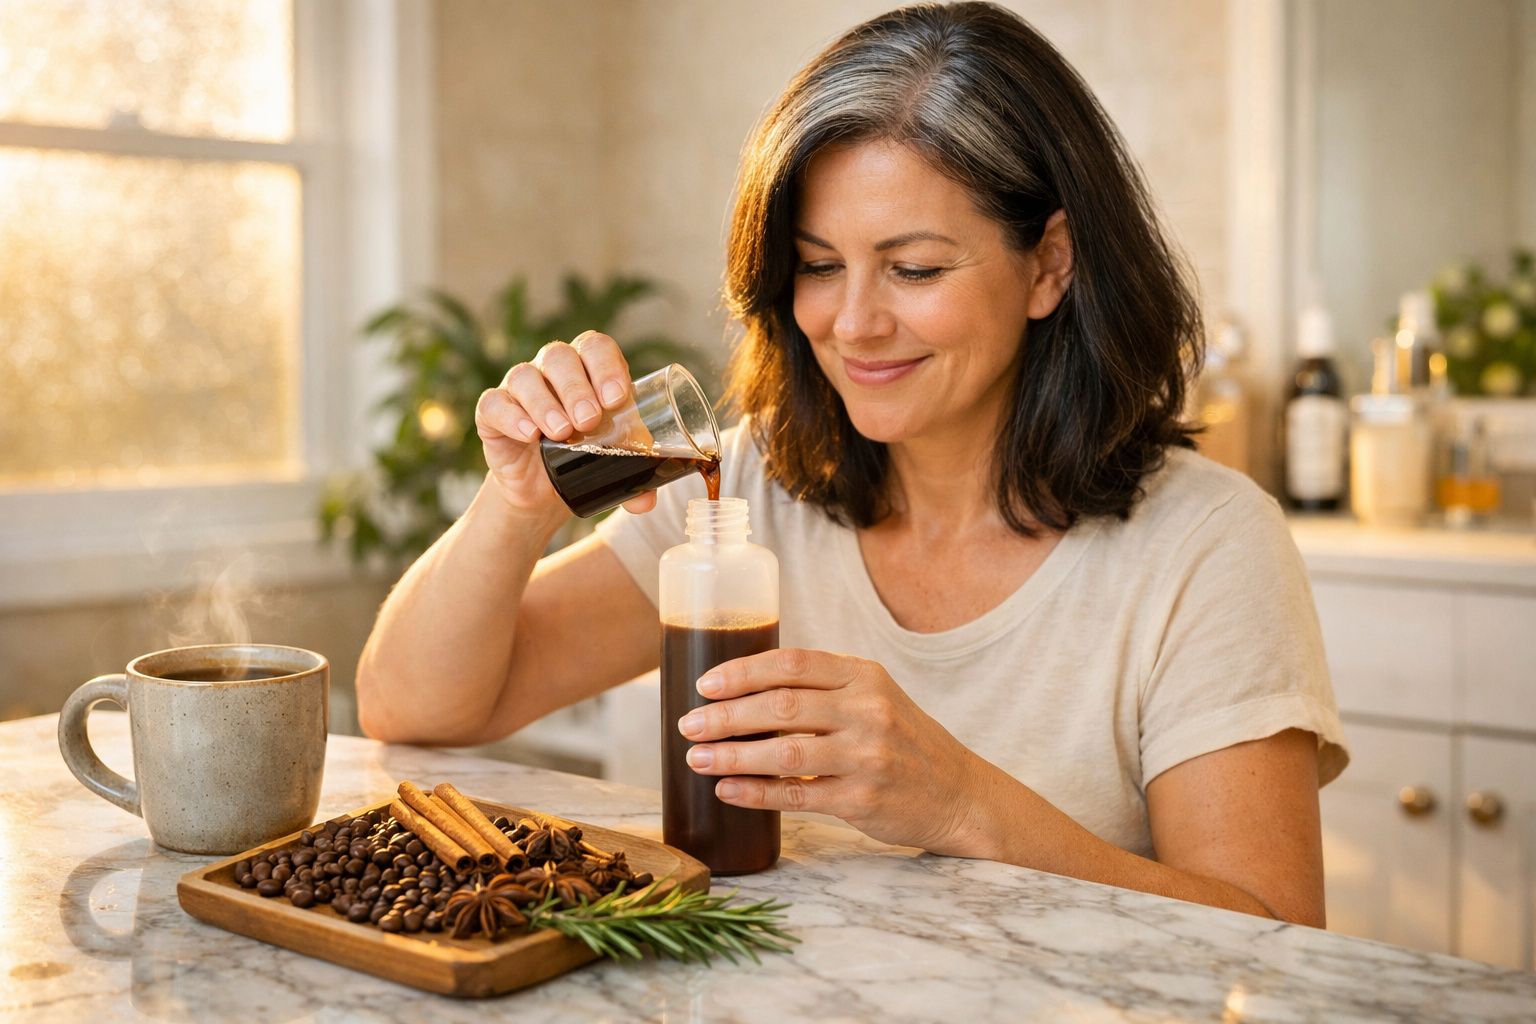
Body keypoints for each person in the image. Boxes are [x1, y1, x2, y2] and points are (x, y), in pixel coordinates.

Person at [357, 1, 1347, 926]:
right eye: (819, 266)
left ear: (1050, 263)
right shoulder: (751, 486)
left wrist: (962, 802)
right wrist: (519, 503)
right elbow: (416, 706)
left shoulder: (1206, 546)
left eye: (914, 268)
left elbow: (1277, 942)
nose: (855, 323)